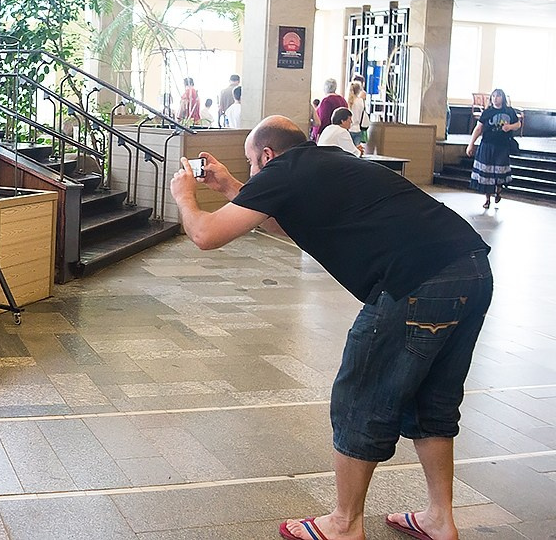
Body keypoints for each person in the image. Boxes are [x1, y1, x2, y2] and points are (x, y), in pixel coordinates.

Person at [169, 116, 491, 540]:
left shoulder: (282, 171)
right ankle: (439, 518)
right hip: (471, 269)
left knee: (360, 395)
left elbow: (205, 234)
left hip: (416, 282)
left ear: (267, 156)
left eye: (250, 165)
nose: (251, 173)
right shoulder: (324, 161)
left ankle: (344, 524)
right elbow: (289, 227)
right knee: (433, 400)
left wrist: (184, 196)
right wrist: (230, 186)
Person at [466, 88, 521, 209]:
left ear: (503, 98)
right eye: (494, 96)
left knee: (500, 172)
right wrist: (471, 144)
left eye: (498, 96)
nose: (495, 98)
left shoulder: (509, 111)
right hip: (487, 144)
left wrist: (510, 127)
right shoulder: (487, 112)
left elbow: (518, 124)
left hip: (502, 145)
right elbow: (478, 128)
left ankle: (498, 191)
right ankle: (487, 199)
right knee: (487, 173)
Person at [346, 81, 369, 146]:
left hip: (349, 128)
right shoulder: (361, 101)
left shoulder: (348, 101)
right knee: (356, 151)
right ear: (359, 91)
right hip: (358, 128)